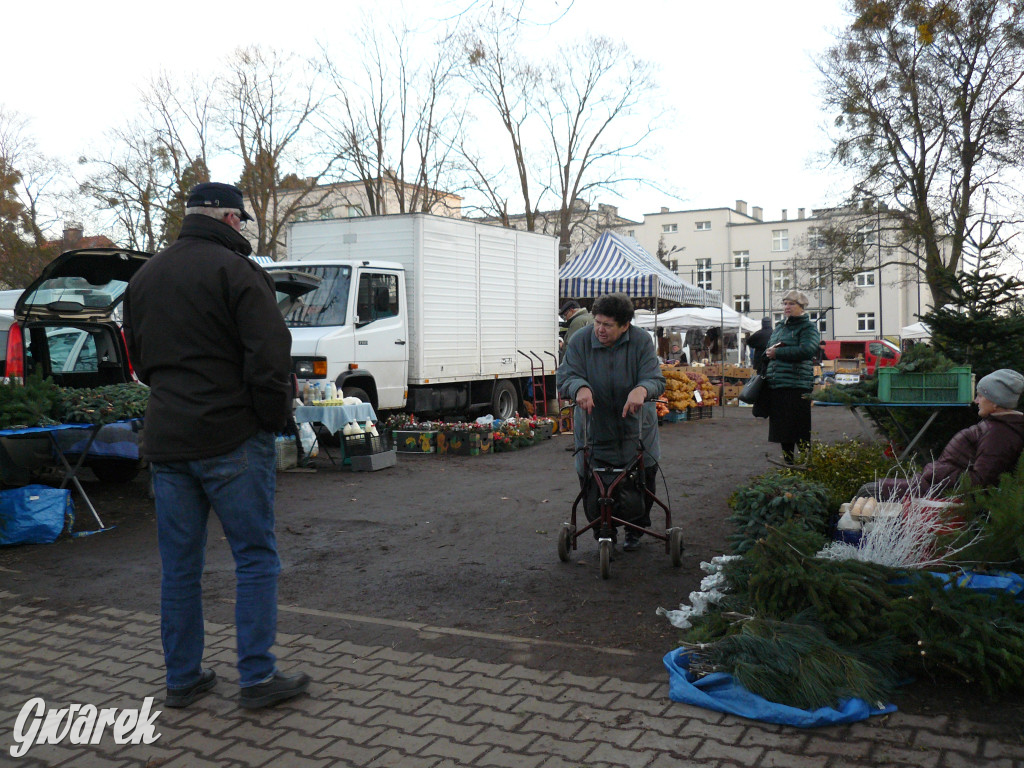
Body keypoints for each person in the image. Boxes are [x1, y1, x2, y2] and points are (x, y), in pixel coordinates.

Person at [123, 182, 310, 710]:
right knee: (254, 558)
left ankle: (182, 678)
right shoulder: (238, 271)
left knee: (179, 567)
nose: (243, 228)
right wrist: (272, 421)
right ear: (229, 218)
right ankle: (256, 678)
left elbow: (139, 359)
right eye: (242, 220)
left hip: (168, 439)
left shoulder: (144, 277)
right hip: (231, 437)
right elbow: (270, 358)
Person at [557, 292, 666, 551]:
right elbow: (565, 377)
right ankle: (603, 531)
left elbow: (656, 379)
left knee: (642, 477)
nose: (599, 329)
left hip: (636, 426)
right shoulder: (580, 340)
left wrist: (642, 389)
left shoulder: (641, 341)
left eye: (607, 325)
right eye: (597, 322)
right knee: (592, 480)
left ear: (625, 325)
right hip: (594, 425)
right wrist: (580, 387)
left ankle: (635, 529)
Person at [860, 369, 1024, 500]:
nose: (976, 400)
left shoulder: (998, 435)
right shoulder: (998, 426)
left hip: (938, 493)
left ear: (995, 401)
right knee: (868, 491)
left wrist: (937, 471)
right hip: (933, 486)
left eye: (981, 395)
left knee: (868, 492)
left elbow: (979, 483)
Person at [764, 290, 821, 465]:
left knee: (799, 426)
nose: (787, 307)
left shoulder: (808, 327)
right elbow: (770, 347)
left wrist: (778, 353)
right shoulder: (780, 326)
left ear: (801, 307)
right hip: (778, 383)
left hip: (797, 384)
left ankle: (806, 462)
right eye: (785, 303)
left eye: (791, 304)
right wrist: (768, 353)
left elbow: (808, 350)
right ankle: (788, 461)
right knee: (783, 428)